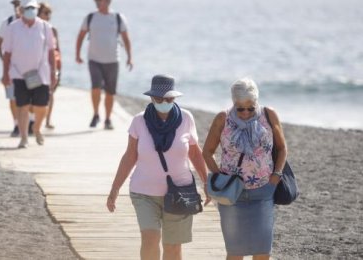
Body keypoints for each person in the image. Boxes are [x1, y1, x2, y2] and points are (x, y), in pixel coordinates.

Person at [107, 75, 210, 260]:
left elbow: (195, 154)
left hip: (180, 193)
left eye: (168, 99)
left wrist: (207, 183)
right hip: (144, 193)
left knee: (172, 247)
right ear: (151, 98)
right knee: (150, 239)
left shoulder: (186, 118)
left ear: (175, 98)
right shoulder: (139, 121)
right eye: (159, 99)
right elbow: (130, 157)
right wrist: (115, 189)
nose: (164, 102)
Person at [202, 78, 287, 260]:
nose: (246, 112)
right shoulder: (222, 118)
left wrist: (276, 176)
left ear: (257, 101)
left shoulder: (269, 114)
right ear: (233, 103)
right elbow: (207, 152)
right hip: (232, 194)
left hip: (263, 191)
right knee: (235, 252)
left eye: (251, 107)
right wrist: (220, 179)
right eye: (240, 108)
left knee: (263, 251)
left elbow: (281, 148)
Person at [1, 0, 57, 148]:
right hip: (19, 74)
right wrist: (5, 74)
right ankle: (24, 137)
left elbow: (52, 51)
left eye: (33, 8)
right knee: (22, 106)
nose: (31, 11)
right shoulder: (12, 27)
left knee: (41, 107)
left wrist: (54, 72)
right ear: (20, 10)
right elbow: (7, 53)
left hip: (41, 74)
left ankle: (37, 128)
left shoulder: (45, 27)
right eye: (27, 8)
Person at [76, 0, 133, 130]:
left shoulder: (118, 18)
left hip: (113, 60)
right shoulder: (90, 17)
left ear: (108, 0)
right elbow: (81, 36)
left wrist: (130, 57)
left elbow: (126, 38)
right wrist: (77, 54)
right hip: (94, 59)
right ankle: (95, 114)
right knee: (95, 88)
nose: (97, 1)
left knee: (110, 92)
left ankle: (108, 119)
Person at [0, 0, 26, 137]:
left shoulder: (35, 23)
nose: (16, 7)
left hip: (30, 67)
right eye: (15, 4)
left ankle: (29, 123)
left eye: (19, 4)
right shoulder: (7, 23)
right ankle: (16, 125)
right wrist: (4, 61)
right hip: (11, 68)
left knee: (30, 97)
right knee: (13, 97)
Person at [38, 2, 61, 129]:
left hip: (52, 65)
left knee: (50, 93)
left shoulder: (53, 30)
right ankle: (36, 121)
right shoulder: (35, 28)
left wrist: (58, 68)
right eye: (45, 12)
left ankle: (47, 120)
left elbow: (58, 50)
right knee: (37, 94)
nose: (48, 16)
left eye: (49, 13)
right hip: (38, 66)